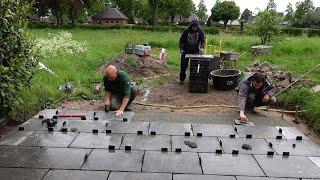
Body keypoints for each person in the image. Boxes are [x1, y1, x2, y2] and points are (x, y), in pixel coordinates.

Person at [178, 19, 205, 84]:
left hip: (195, 51)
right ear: (191, 26)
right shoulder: (186, 31)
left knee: (194, 65)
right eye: (194, 27)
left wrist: (201, 48)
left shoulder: (200, 31)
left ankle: (193, 79)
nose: (195, 28)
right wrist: (181, 48)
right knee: (183, 65)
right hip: (185, 50)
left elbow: (202, 41)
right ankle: (182, 79)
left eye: (196, 27)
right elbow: (181, 41)